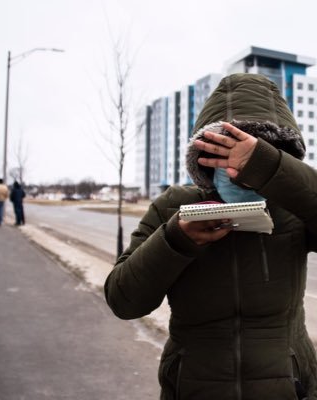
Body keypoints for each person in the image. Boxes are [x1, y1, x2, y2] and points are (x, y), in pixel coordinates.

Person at [104, 73, 317, 400]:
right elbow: (124, 300)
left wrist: (272, 171)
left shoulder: (296, 208)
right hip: (195, 387)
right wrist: (175, 239)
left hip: (288, 386)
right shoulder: (174, 206)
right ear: (204, 156)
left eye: (249, 154)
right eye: (223, 152)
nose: (237, 171)